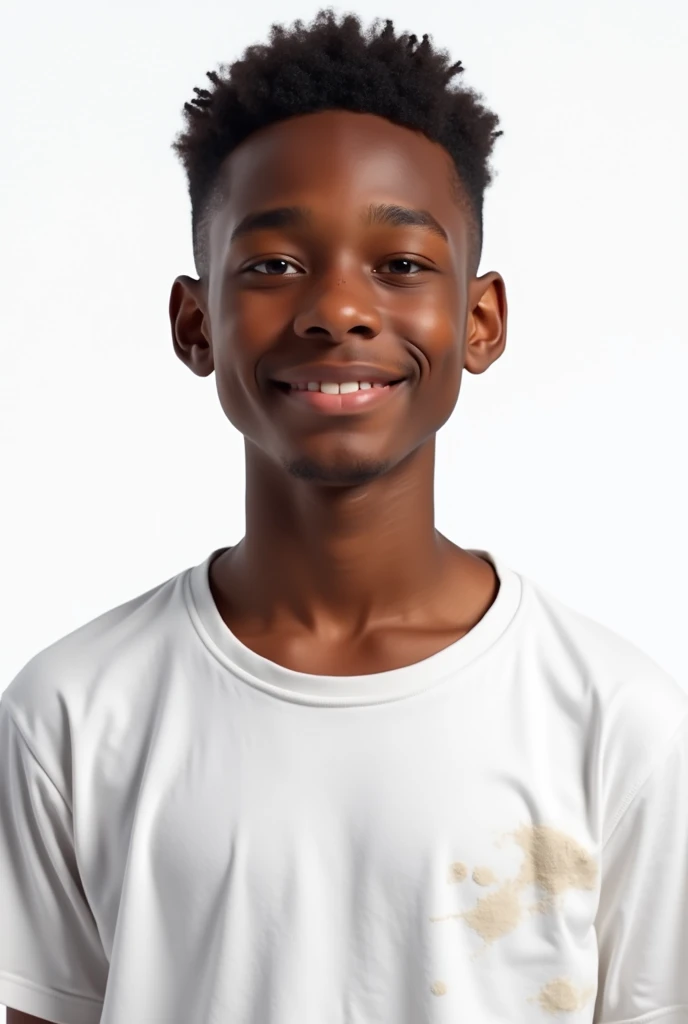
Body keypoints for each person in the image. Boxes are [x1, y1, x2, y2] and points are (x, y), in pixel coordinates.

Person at [1, 8, 687, 1023]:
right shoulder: (74, 710)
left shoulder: (613, 718)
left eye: (401, 265)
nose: (337, 310)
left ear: (480, 320)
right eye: (273, 266)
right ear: (196, 323)